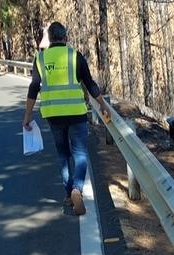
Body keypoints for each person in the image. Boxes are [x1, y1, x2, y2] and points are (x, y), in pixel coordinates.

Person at [23, 22, 111, 216]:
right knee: (80, 154)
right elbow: (90, 84)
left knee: (63, 155)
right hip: (77, 114)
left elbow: (33, 88)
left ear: (51, 38)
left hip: (54, 116)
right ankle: (77, 189)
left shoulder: (40, 59)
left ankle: (67, 193)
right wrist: (103, 105)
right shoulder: (75, 56)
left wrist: (27, 117)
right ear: (65, 37)